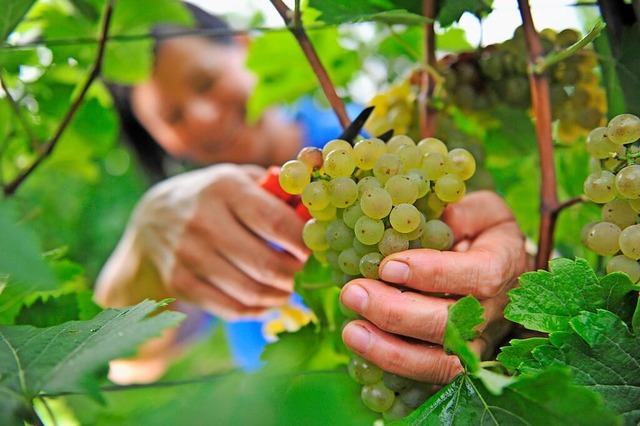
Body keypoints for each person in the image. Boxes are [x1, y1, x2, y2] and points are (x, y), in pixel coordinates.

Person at [95, 2, 528, 386]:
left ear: (246, 46)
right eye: (173, 116)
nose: (204, 117)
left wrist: (510, 293)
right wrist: (145, 249)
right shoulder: (198, 225)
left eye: (206, 82)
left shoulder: (386, 160)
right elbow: (123, 364)